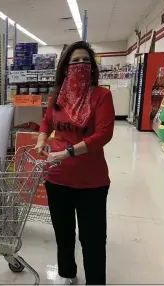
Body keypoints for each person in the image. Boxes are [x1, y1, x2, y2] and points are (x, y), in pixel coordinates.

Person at [35, 41, 115, 285]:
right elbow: (47, 121)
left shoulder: (101, 95)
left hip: (91, 181)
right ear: (65, 68)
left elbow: (104, 134)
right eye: (75, 61)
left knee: (92, 237)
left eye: (85, 61)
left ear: (92, 67)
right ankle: (67, 273)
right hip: (57, 178)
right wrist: (41, 139)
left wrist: (68, 152)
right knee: (64, 232)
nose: (81, 65)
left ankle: (95, 281)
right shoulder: (58, 96)